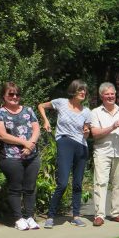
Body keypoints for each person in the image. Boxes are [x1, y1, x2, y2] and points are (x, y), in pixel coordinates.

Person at [39, 80, 93, 228]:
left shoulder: (87, 111)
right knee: (62, 183)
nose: (83, 93)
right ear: (73, 91)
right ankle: (50, 216)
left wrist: (87, 132)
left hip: (81, 146)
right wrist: (45, 121)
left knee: (77, 183)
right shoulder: (61, 103)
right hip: (65, 142)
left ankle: (76, 216)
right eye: (80, 90)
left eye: (84, 91)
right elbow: (41, 106)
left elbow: (86, 133)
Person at [0, 82, 41, 230]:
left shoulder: (28, 110)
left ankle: (30, 216)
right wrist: (24, 143)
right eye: (10, 94)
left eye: (17, 94)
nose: (14, 97)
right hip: (11, 157)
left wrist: (31, 144)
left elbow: (36, 129)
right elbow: (2, 135)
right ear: (4, 96)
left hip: (32, 156)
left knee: (30, 187)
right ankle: (18, 218)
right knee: (15, 188)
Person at [89, 82, 119, 227]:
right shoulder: (95, 112)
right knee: (100, 183)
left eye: (112, 94)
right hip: (102, 152)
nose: (110, 96)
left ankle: (116, 213)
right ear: (102, 96)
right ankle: (99, 215)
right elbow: (94, 133)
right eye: (107, 94)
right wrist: (113, 126)